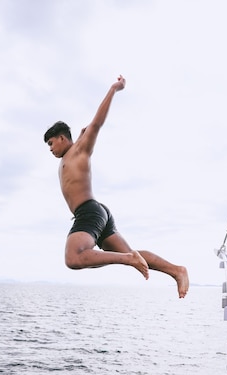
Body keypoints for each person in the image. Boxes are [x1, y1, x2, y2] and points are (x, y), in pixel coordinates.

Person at [43, 75, 189, 298]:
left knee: (74, 257)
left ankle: (128, 260)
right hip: (98, 212)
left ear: (62, 138)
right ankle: (176, 271)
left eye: (51, 143)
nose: (51, 149)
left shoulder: (79, 150)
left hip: (89, 212)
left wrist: (114, 89)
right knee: (132, 253)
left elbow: (96, 123)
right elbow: (85, 129)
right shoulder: (70, 154)